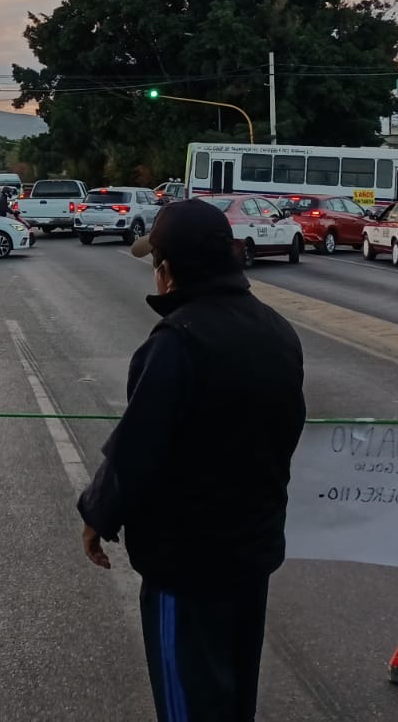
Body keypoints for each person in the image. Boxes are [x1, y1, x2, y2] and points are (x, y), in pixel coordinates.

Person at [78, 197, 305, 722]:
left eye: (157, 263)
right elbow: (288, 429)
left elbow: (137, 448)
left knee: (189, 701)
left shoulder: (177, 342)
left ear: (170, 270)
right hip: (252, 552)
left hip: (185, 564)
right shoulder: (276, 329)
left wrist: (97, 515)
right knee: (234, 697)